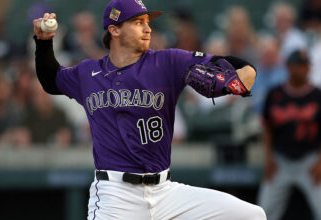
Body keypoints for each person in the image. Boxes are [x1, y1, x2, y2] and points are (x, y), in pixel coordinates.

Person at [33, 0, 266, 219]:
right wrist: (44, 43)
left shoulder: (168, 61)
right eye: (138, 22)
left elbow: (238, 66)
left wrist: (238, 80)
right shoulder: (88, 73)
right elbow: (50, 80)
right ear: (114, 30)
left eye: (147, 22)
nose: (148, 29)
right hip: (115, 195)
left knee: (253, 215)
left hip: (166, 193)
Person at [257, 50, 321, 220]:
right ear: (288, 67)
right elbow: (267, 128)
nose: (300, 69)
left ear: (309, 68)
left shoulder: (317, 95)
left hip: (311, 161)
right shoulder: (275, 94)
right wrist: (269, 158)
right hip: (280, 161)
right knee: (263, 212)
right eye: (297, 65)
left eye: (304, 65)